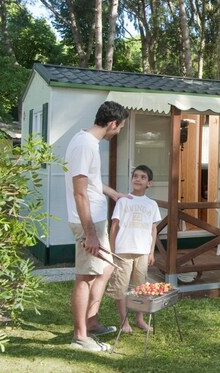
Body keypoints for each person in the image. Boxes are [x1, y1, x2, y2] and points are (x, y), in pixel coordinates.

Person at [65, 101, 129, 352]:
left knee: (106, 268)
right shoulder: (84, 145)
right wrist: (90, 234)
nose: (119, 131)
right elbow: (80, 193)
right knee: (86, 276)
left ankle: (91, 322)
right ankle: (80, 336)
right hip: (87, 223)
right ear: (112, 123)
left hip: (97, 220)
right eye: (120, 127)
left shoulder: (89, 142)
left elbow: (91, 183)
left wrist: (113, 194)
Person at [107, 165, 162, 333]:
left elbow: (153, 229)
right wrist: (112, 251)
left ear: (149, 183)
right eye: (135, 176)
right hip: (123, 251)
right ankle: (124, 322)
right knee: (121, 288)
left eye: (143, 177)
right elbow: (114, 226)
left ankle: (140, 319)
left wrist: (151, 252)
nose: (138, 179)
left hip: (143, 252)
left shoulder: (152, 204)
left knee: (140, 288)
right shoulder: (123, 200)